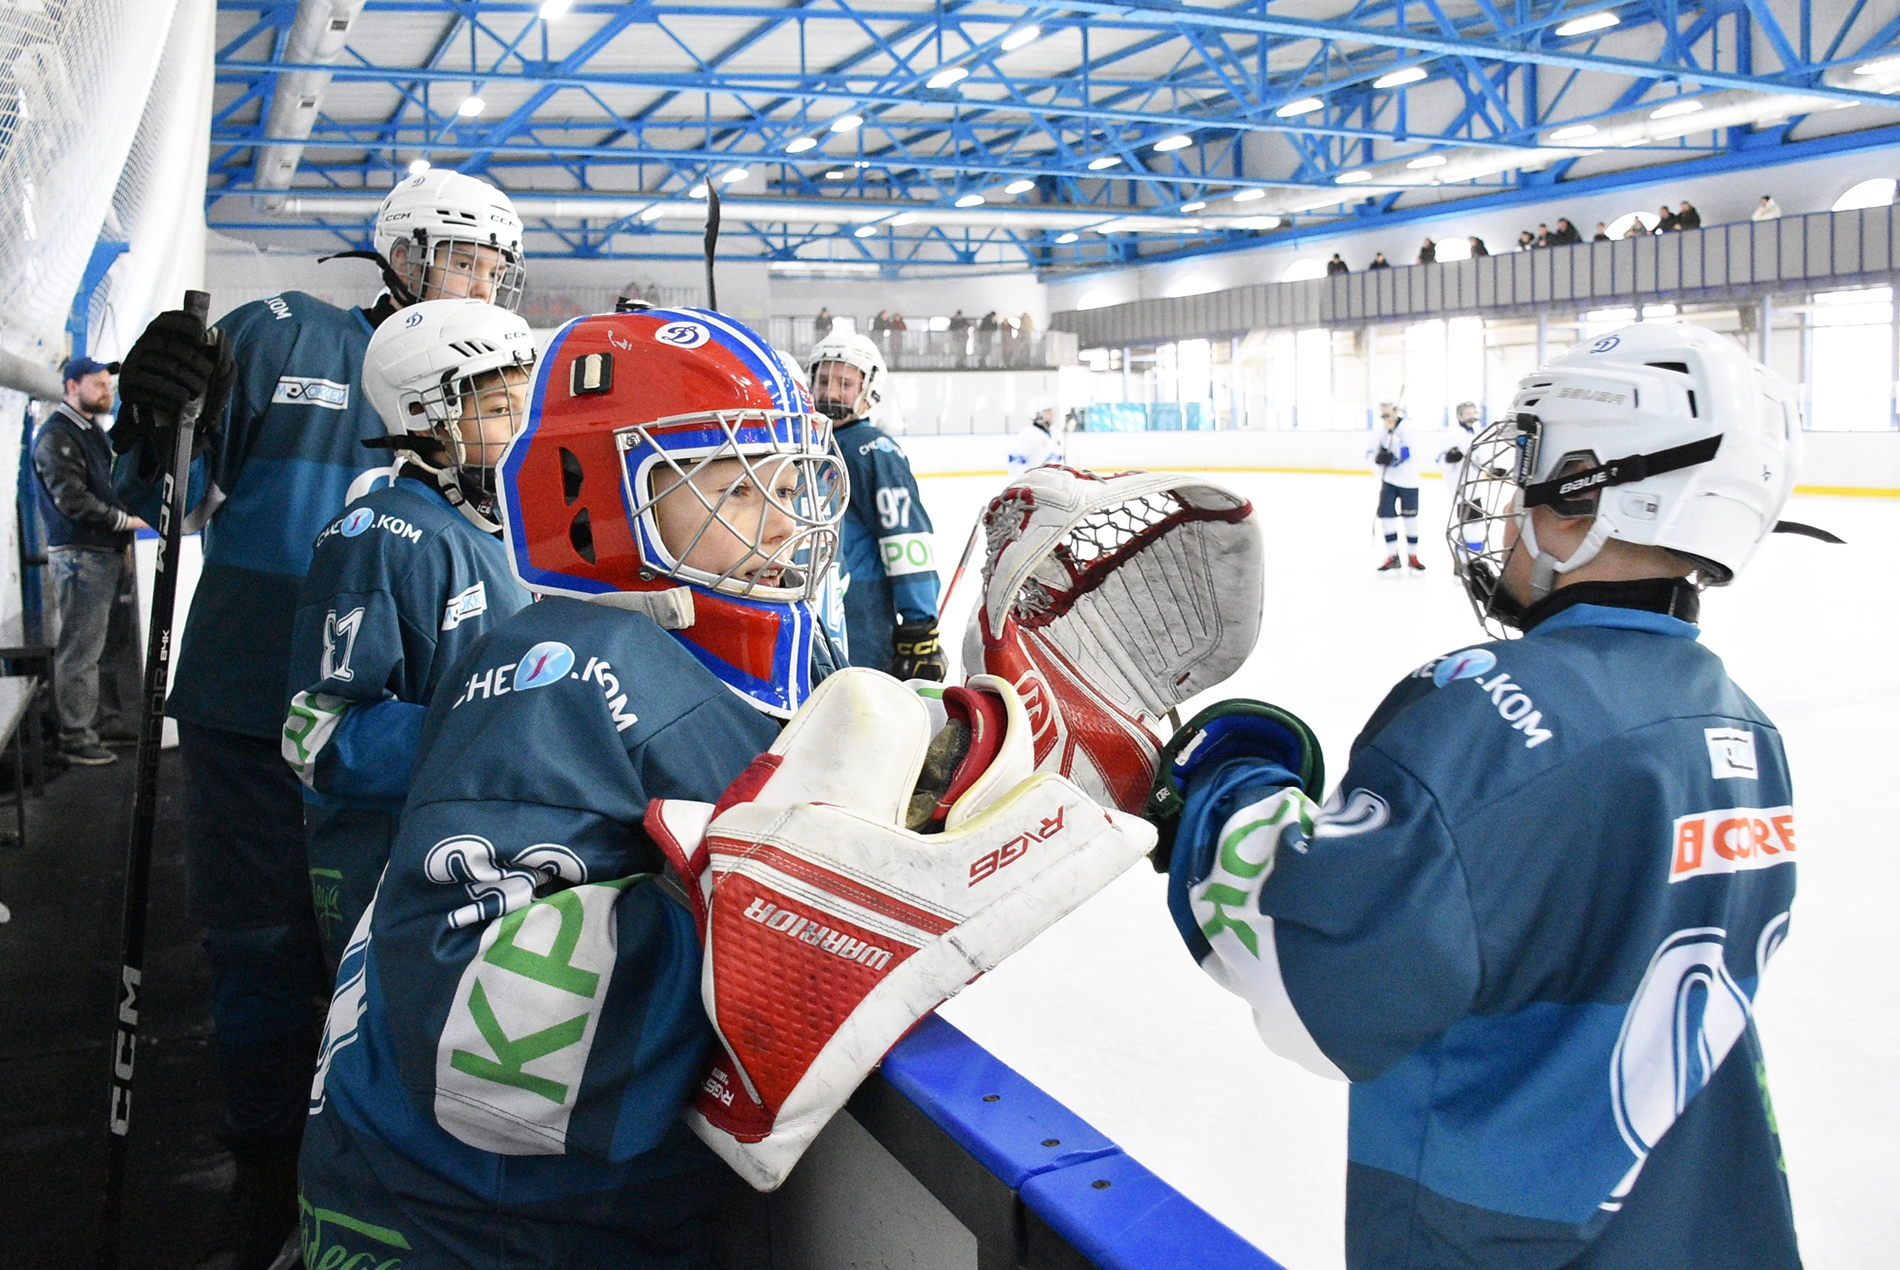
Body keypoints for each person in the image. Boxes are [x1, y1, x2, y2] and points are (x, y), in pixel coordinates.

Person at [1148, 321, 1805, 1270]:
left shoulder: (1488, 714)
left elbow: (1311, 974)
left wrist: (1228, 778)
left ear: (1585, 498)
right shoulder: (1746, 730)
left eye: (1527, 481)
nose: (1503, 520)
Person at [298, 309, 851, 1267]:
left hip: (563, 1208)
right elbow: (498, 1063)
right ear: (595, 498)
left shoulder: (732, 648)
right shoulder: (563, 675)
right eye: (738, 484)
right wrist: (793, 916)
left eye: (795, 479)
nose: (788, 520)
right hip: (459, 1227)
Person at [112, 167, 526, 1270]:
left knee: (380, 950)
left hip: (401, 722)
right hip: (253, 705)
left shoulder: (487, 383)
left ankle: (362, 1174)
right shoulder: (279, 332)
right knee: (258, 948)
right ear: (403, 253)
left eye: (496, 266)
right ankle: (261, 1179)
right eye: (465, 259)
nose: (485, 284)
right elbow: (155, 497)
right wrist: (149, 416)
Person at [281, 299, 536, 973]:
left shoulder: (514, 531)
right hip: (400, 888)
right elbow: (317, 732)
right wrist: (501, 733)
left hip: (490, 868)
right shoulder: (382, 537)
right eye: (500, 409)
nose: (524, 429)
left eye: (526, 404)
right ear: (425, 415)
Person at [32, 356, 149, 766]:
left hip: (105, 551)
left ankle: (103, 720)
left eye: (108, 384)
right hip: (82, 556)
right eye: (97, 384)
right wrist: (129, 522)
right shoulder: (57, 437)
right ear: (70, 387)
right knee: (81, 649)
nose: (107, 391)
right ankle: (75, 735)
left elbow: (113, 487)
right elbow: (74, 501)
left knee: (107, 646)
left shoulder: (91, 433)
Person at [807, 332, 944, 678]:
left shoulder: (874, 451)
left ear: (869, 394)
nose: (831, 392)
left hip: (861, 613)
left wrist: (920, 624)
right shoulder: (808, 444)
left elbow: (904, 536)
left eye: (845, 383)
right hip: (814, 606)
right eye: (823, 380)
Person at [1369, 400, 1422, 572]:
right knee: (1387, 517)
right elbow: (1369, 452)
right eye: (1382, 412)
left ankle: (1413, 556)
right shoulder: (1380, 430)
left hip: (1409, 481)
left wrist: (1393, 453)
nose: (1385, 416)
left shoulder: (1408, 428)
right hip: (1389, 481)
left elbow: (1408, 451)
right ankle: (1392, 555)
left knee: (1410, 520)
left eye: (1387, 411)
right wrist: (1378, 458)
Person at [1438, 400, 1484, 557]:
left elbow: (1476, 460)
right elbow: (1441, 459)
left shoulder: (1474, 434)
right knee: (1470, 526)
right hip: (1463, 489)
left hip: (1474, 488)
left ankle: (1466, 561)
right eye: (1468, 414)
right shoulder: (1455, 434)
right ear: (1459, 416)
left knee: (1473, 525)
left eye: (1473, 413)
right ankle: (1465, 562)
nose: (1472, 417)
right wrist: (1450, 458)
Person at [1006, 395, 1064, 476]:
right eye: (1048, 411)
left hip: (1054, 484)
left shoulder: (1056, 434)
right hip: (1035, 485)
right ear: (1039, 414)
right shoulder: (1027, 435)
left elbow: (1060, 462)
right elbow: (1015, 465)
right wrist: (1031, 479)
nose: (1052, 414)